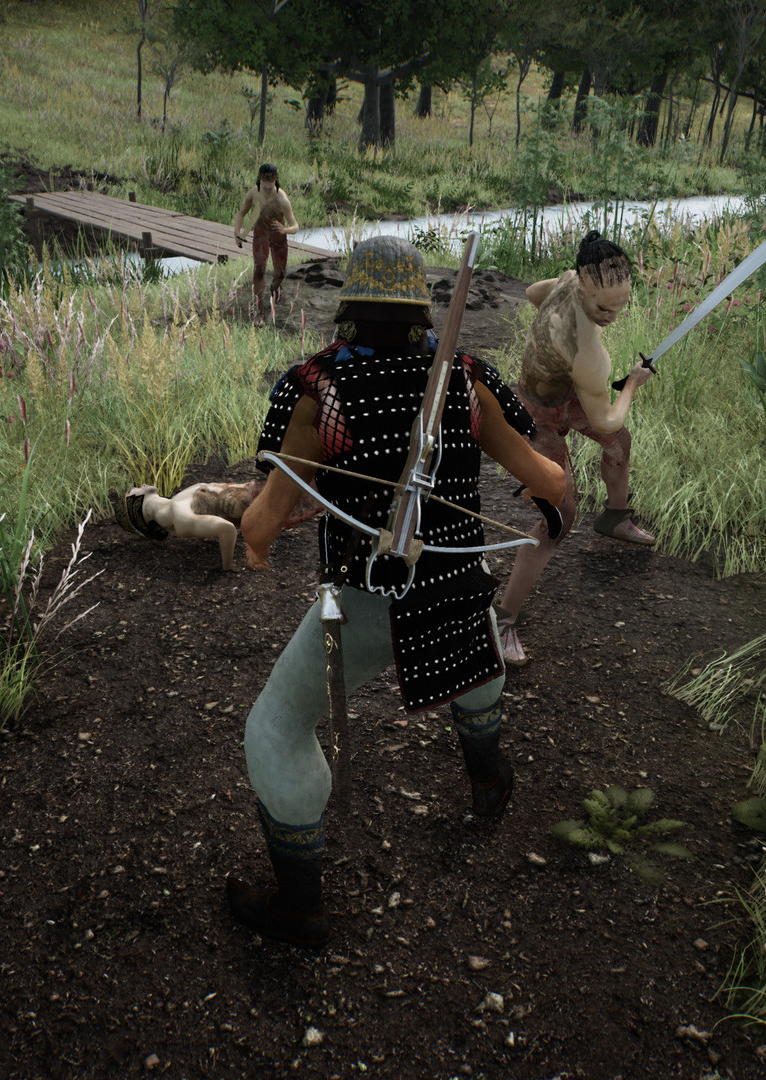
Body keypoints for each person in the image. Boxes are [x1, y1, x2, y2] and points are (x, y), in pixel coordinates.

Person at [227, 235, 566, 948]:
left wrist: (261, 525)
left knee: (275, 730)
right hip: (460, 579)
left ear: (351, 306)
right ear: (419, 310)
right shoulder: (466, 379)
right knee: (473, 643)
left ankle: (300, 909)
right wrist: (552, 485)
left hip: (369, 597)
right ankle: (488, 779)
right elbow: (551, 482)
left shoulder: (320, 389)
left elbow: (258, 533)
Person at [496, 232, 655, 668]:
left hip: (566, 394)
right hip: (534, 413)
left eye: (621, 306)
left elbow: (534, 292)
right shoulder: (589, 354)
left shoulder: (567, 279)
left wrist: (552, 349)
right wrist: (633, 383)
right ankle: (503, 618)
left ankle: (615, 519)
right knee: (560, 515)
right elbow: (607, 418)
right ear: (583, 285)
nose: (613, 317)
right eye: (603, 309)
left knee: (619, 445)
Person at [232, 163, 300, 325]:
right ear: (259, 180)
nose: (268, 186)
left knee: (280, 272)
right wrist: (237, 232)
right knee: (259, 270)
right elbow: (241, 213)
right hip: (261, 232)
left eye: (271, 182)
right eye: (265, 182)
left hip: (278, 234)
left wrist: (285, 230)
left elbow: (296, 226)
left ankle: (275, 287)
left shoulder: (282, 199)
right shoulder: (253, 194)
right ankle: (260, 310)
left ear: (276, 181)